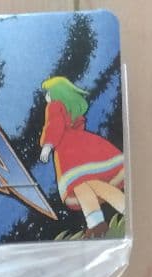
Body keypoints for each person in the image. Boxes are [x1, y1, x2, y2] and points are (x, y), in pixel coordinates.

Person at [39, 76, 125, 238]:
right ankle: (105, 218)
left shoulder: (54, 106)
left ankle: (102, 220)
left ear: (56, 93)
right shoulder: (69, 109)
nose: (46, 96)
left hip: (71, 156)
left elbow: (54, 125)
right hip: (81, 148)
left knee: (83, 186)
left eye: (48, 92)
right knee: (89, 186)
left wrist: (47, 146)